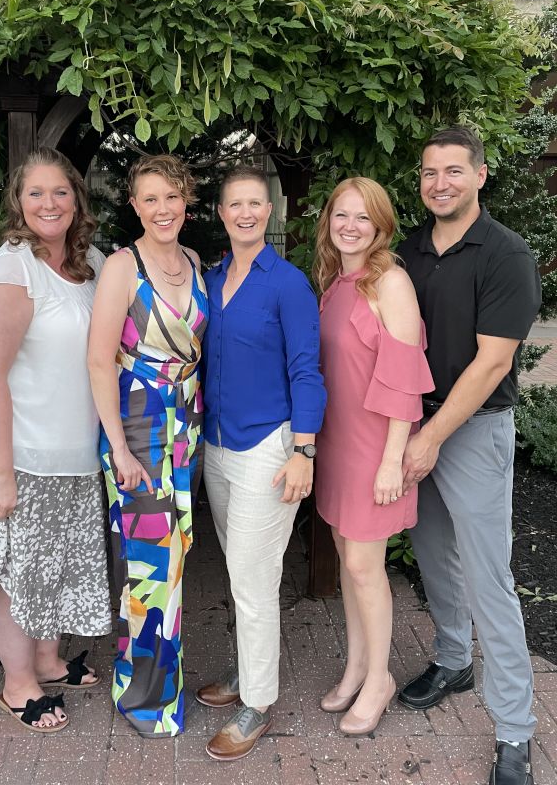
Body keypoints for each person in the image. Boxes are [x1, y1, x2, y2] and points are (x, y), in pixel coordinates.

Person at [0, 147, 111, 733]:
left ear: (77, 199)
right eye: (35, 192)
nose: (49, 203)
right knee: (19, 570)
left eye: (60, 191)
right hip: (16, 451)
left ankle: (47, 660)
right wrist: (1, 472)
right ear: (18, 202)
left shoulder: (91, 263)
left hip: (71, 448)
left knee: (55, 561)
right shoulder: (11, 270)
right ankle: (18, 685)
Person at [398, 127, 541, 785]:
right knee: (433, 554)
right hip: (414, 425)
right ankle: (454, 661)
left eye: (453, 171)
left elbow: (493, 363)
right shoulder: (410, 251)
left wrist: (430, 439)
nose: (440, 184)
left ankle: (514, 730)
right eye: (430, 173)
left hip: (473, 431)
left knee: (490, 578)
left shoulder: (506, 254)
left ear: (480, 175)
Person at [197, 164, 327, 761]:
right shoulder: (211, 277)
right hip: (217, 446)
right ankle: (249, 671)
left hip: (267, 449)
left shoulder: (288, 284)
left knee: (254, 580)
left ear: (269, 210)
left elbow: (307, 371)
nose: (245, 213)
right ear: (221, 213)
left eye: (255, 203)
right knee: (239, 571)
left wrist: (304, 450)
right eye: (235, 204)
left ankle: (257, 702)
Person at [87, 154, 208, 738]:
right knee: (148, 566)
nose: (163, 209)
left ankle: (161, 685)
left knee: (174, 557)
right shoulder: (121, 267)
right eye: (151, 198)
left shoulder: (193, 261)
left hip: (187, 427)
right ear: (134, 205)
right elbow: (97, 361)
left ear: (187, 201)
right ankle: (144, 699)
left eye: (173, 196)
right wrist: (119, 447)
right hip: (137, 428)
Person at [312, 177, 434, 736]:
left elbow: (404, 379)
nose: (351, 226)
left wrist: (392, 461)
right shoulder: (335, 282)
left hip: (375, 448)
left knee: (365, 566)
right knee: (347, 560)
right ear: (329, 221)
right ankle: (357, 667)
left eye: (363, 217)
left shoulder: (391, 282)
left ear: (381, 225)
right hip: (337, 442)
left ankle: (380, 677)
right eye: (342, 214)